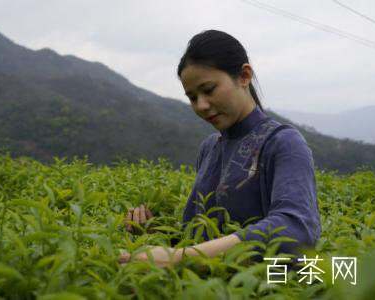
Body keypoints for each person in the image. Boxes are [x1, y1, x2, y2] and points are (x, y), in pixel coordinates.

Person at [119, 30, 322, 267]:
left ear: (244, 76)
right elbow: (203, 237)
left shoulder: (283, 142)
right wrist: (156, 236)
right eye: (192, 97)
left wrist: (180, 258)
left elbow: (296, 229)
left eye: (209, 89)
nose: (201, 106)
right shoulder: (210, 148)